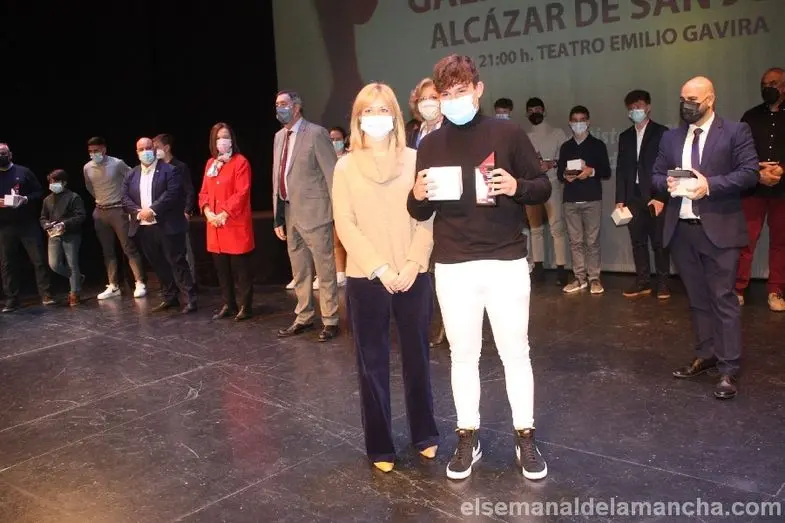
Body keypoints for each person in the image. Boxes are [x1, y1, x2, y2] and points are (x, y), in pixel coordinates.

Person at [408, 54, 551, 481]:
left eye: (461, 91)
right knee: (463, 355)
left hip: (505, 261)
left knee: (515, 353)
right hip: (454, 265)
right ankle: (467, 436)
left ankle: (525, 435)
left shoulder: (507, 132)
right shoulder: (430, 145)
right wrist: (416, 195)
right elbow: (419, 210)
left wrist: (517, 185)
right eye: (445, 94)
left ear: (478, 90)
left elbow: (542, 186)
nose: (453, 100)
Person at [333, 81, 439, 472]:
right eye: (368, 111)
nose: (376, 117)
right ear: (358, 119)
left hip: (413, 274)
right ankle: (380, 445)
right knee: (371, 364)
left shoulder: (416, 159)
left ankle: (425, 434)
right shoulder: (345, 167)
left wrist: (412, 263)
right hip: (367, 278)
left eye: (383, 110)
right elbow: (345, 223)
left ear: (395, 116)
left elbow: (428, 217)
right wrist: (379, 267)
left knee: (418, 358)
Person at [651, 76, 758, 400]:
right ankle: (706, 354)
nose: (686, 105)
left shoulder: (736, 132)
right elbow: (655, 175)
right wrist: (666, 184)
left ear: (710, 100)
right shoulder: (671, 137)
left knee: (723, 299)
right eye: (682, 99)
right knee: (697, 300)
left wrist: (708, 185)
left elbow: (749, 173)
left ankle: (728, 368)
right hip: (682, 231)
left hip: (720, 230)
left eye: (693, 100)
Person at [272, 90, 340, 342]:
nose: (279, 108)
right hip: (290, 213)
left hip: (316, 213)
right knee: (299, 270)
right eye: (276, 104)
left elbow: (331, 175)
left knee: (324, 269)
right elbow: (277, 177)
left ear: (296, 107)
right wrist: (278, 216)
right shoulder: (279, 137)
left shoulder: (316, 133)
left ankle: (330, 319)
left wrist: (338, 213)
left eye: (283, 104)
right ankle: (304, 316)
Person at [123, 138, 196, 314]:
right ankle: (170, 297)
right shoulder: (132, 174)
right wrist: (139, 212)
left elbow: (172, 194)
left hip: (168, 225)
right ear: (137, 152)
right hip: (144, 226)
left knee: (177, 261)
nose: (145, 152)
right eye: (141, 149)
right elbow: (124, 197)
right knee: (158, 263)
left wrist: (152, 210)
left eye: (148, 148)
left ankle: (189, 299)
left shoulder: (170, 170)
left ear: (155, 150)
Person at [736, 67, 785, 311]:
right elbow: (739, 151)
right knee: (745, 240)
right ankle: (738, 289)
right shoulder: (751, 116)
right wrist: (758, 171)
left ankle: (776, 291)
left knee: (781, 243)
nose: (768, 88)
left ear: (784, 87)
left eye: (773, 83)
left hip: (782, 190)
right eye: (764, 84)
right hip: (754, 188)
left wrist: (781, 170)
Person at [615, 90, 670, 299]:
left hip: (655, 194)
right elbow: (621, 170)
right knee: (637, 241)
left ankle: (663, 283)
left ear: (648, 107)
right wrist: (620, 199)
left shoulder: (662, 133)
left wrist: (662, 197)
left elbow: (668, 167)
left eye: (638, 106)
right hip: (633, 196)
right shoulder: (625, 137)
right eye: (631, 108)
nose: (634, 111)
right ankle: (643, 281)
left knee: (659, 242)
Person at [199, 123, 255, 321]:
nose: (222, 141)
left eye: (226, 137)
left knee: (241, 270)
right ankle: (229, 304)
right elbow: (204, 192)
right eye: (218, 138)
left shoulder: (240, 162)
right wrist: (208, 212)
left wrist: (223, 213)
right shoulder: (210, 164)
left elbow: (242, 192)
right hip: (215, 226)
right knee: (222, 270)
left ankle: (245, 306)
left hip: (233, 223)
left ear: (232, 140)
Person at [407, 77, 447, 347]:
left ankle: (446, 325)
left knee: (441, 270)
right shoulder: (412, 133)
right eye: (423, 99)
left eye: (434, 97)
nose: (428, 103)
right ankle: (426, 322)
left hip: (443, 209)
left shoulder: (452, 130)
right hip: (417, 208)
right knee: (422, 268)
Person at [557, 105, 612, 295]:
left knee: (592, 241)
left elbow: (606, 171)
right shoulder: (566, 147)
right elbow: (559, 173)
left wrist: (591, 171)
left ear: (588, 122)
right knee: (575, 242)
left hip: (592, 199)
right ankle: (579, 277)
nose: (578, 124)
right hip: (571, 200)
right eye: (575, 120)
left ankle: (594, 278)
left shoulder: (597, 145)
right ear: (569, 123)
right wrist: (566, 175)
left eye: (582, 120)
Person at [83, 137, 147, 300]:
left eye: (96, 150)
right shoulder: (87, 167)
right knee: (108, 251)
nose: (93, 154)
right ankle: (113, 285)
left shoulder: (117, 163)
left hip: (119, 209)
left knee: (128, 247)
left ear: (104, 149)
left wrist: (127, 201)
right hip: (100, 211)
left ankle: (140, 282)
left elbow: (133, 178)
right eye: (90, 151)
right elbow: (90, 187)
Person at [0, 143, 53, 312]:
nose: (1, 156)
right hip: (5, 226)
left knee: (38, 259)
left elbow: (39, 192)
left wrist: (25, 199)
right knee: (7, 263)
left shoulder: (23, 172)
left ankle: (46, 294)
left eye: (3, 153)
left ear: (10, 154)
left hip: (27, 223)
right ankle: (11, 299)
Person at [525, 97, 569, 286]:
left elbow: (566, 158)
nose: (534, 113)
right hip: (532, 185)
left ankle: (561, 269)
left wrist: (551, 164)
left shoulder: (557, 133)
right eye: (530, 110)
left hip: (552, 183)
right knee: (535, 228)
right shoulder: (525, 136)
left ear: (543, 110)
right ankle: (538, 269)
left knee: (556, 228)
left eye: (537, 109)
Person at [153, 134, 198, 282]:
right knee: (167, 252)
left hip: (178, 215)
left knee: (183, 251)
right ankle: (173, 284)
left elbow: (189, 190)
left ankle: (190, 283)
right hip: (162, 217)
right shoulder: (156, 168)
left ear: (166, 148)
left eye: (156, 147)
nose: (154, 151)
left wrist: (187, 210)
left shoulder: (180, 167)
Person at [40, 169, 86, 306]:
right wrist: (46, 224)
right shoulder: (47, 200)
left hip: (70, 235)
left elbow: (81, 216)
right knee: (54, 264)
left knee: (72, 263)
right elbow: (43, 217)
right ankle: (77, 278)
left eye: (56, 182)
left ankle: (75, 293)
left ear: (64, 182)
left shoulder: (73, 197)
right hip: (54, 235)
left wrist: (64, 223)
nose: (53, 184)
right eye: (51, 182)